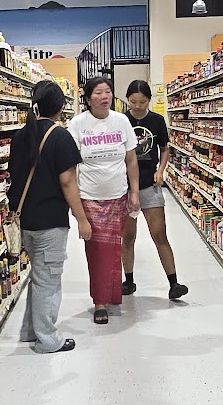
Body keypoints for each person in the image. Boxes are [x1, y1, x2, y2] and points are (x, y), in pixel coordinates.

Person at [7, 80, 86, 354]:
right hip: (50, 222)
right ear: (61, 107)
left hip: (25, 221)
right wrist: (82, 219)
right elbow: (68, 182)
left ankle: (31, 331)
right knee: (48, 281)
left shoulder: (20, 135)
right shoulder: (60, 136)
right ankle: (48, 340)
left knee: (39, 276)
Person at [68, 76, 140, 325]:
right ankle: (100, 301)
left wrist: (134, 192)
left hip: (118, 195)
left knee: (114, 247)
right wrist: (76, 209)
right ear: (88, 99)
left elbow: (131, 160)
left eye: (107, 91)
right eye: (98, 92)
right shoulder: (78, 124)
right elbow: (70, 166)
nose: (104, 96)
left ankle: (112, 294)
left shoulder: (121, 121)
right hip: (90, 197)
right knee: (97, 250)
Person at [119, 80, 187, 302]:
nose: (137, 106)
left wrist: (161, 170)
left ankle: (174, 283)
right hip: (125, 187)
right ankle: (128, 281)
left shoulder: (157, 121)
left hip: (150, 184)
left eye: (142, 102)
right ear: (127, 100)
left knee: (159, 234)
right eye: (133, 102)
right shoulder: (121, 121)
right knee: (128, 237)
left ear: (149, 100)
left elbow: (165, 149)